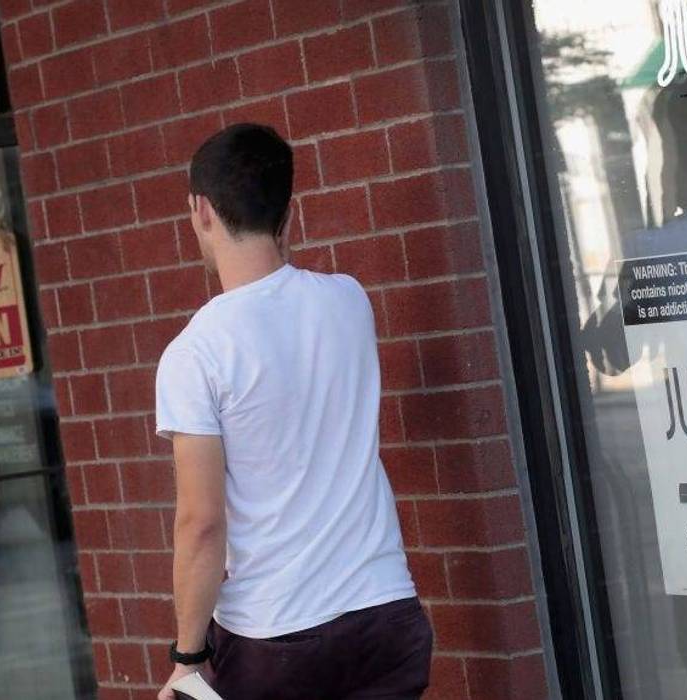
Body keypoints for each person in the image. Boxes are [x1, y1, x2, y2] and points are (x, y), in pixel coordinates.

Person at [154, 123, 432, 700]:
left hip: (278, 637)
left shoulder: (195, 353)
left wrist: (188, 656)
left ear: (201, 211)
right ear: (289, 210)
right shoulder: (348, 301)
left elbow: (201, 522)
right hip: (387, 615)